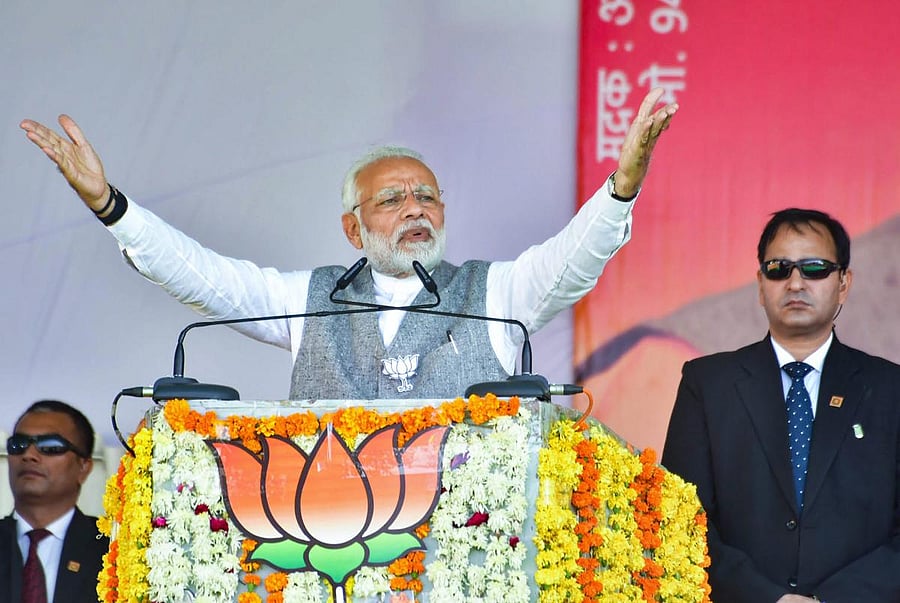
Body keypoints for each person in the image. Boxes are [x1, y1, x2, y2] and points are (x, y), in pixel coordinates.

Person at [20, 89, 677, 399]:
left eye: (426, 195)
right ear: (352, 228)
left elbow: (574, 258)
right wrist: (112, 207)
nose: (415, 207)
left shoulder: (496, 293)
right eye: (392, 199)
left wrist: (621, 187)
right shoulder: (308, 301)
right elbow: (205, 277)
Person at [662, 208, 900, 602]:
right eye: (778, 268)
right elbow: (680, 518)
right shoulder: (707, 385)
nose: (795, 283)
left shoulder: (890, 389)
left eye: (814, 269)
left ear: (844, 283)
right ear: (760, 284)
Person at [0, 400, 108, 603]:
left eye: (50, 447)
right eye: (18, 445)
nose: (29, 455)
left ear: (84, 467)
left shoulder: (112, 549)